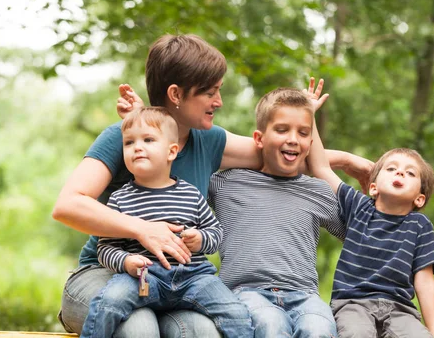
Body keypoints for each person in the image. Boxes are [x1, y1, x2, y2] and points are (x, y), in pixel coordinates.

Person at [52, 33, 376, 338]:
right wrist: (141, 229)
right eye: (210, 92)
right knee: (140, 327)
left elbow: (279, 154)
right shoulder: (123, 137)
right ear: (176, 94)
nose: (218, 101)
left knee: (202, 332)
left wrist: (349, 161)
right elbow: (69, 205)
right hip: (108, 273)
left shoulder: (208, 141)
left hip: (176, 282)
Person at [79, 106, 254, 338]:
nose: (137, 147)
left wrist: (201, 239)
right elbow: (105, 248)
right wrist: (126, 261)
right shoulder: (120, 198)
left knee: (236, 312)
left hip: (194, 277)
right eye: (129, 143)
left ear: (171, 152)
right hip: (143, 277)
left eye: (148, 140)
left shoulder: (191, 194)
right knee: (108, 301)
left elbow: (216, 232)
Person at [208, 87, 345, 337]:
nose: (293, 139)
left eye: (302, 133)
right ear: (258, 139)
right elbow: (185, 166)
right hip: (245, 291)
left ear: (310, 145)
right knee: (271, 325)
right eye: (282, 130)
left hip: (304, 295)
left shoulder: (317, 191)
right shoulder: (226, 182)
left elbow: (361, 235)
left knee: (320, 329)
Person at [307, 88, 434, 337]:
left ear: (420, 198)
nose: (400, 173)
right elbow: (320, 167)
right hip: (352, 304)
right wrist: (309, 115)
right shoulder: (358, 206)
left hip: (401, 310)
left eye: (410, 173)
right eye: (391, 168)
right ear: (372, 186)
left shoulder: (420, 225)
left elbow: (424, 282)